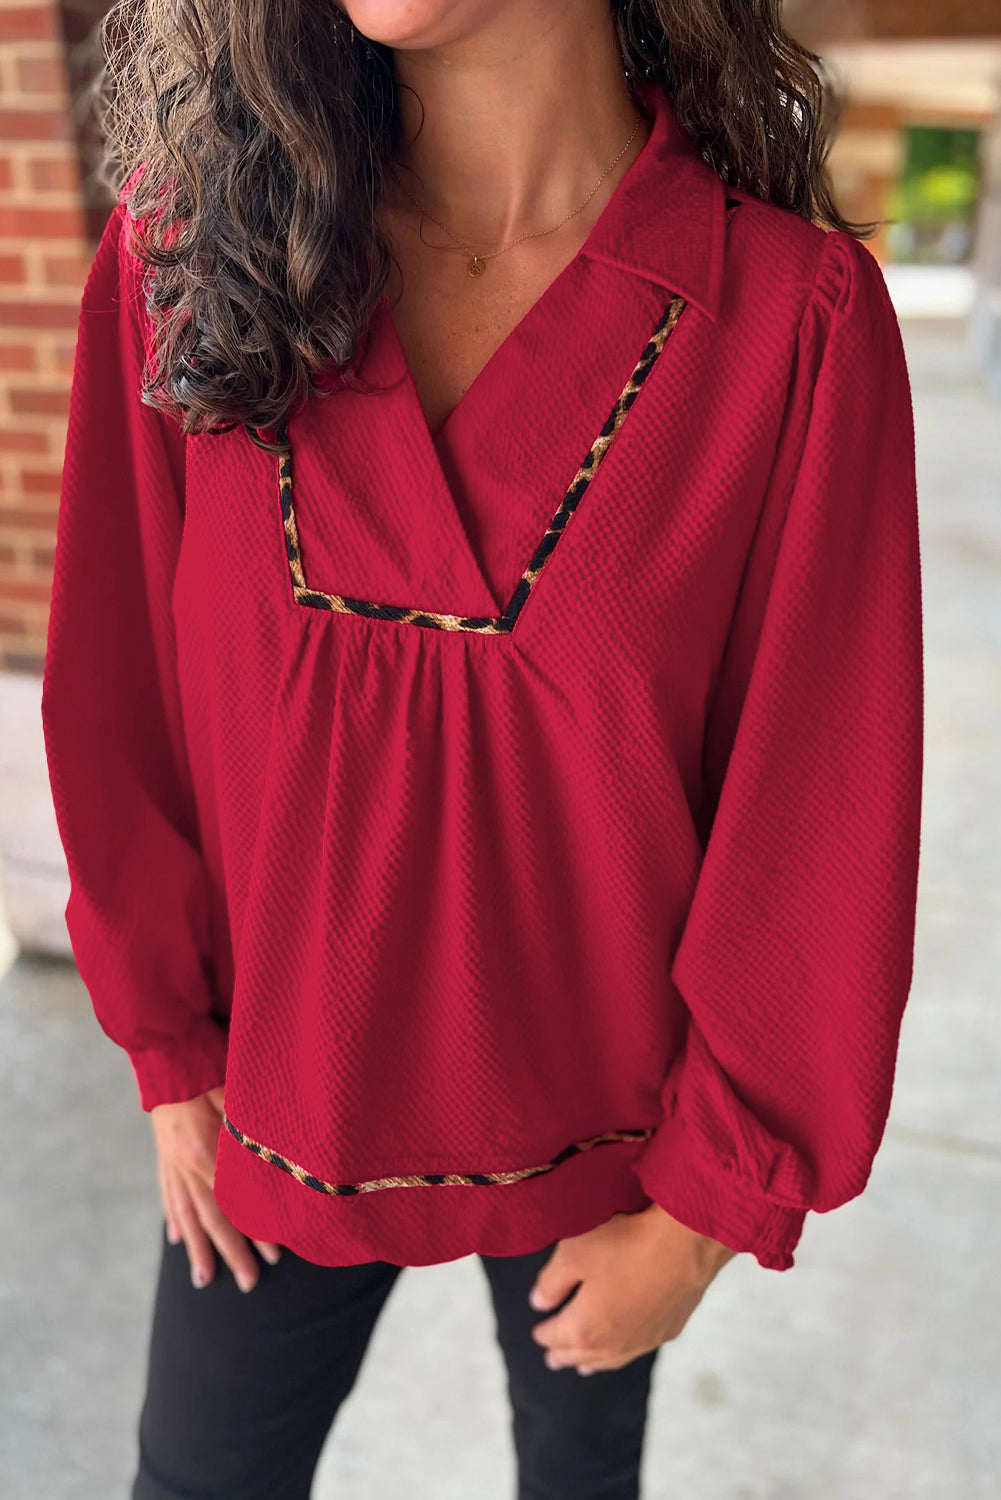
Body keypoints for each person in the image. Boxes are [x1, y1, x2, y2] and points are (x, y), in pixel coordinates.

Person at [40, 0, 924, 1495]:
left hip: (615, 1162)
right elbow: (117, 685)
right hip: (268, 1121)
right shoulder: (188, 267)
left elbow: (818, 813)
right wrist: (168, 1048)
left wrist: (707, 1210)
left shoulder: (789, 328)